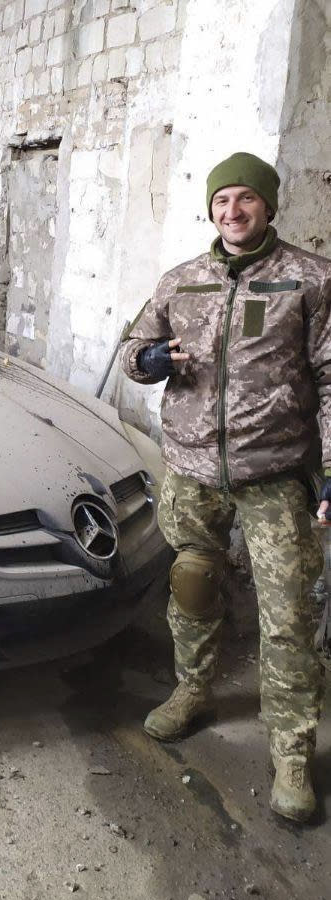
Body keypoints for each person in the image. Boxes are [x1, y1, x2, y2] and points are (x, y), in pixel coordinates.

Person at [121, 152, 331, 823]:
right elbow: (132, 350)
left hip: (274, 473)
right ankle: (193, 689)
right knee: (192, 589)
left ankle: (292, 752)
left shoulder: (310, 279)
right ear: (209, 210)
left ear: (268, 205)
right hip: (189, 469)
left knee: (288, 614)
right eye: (220, 201)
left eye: (244, 199)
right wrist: (150, 360)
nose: (231, 212)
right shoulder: (180, 281)